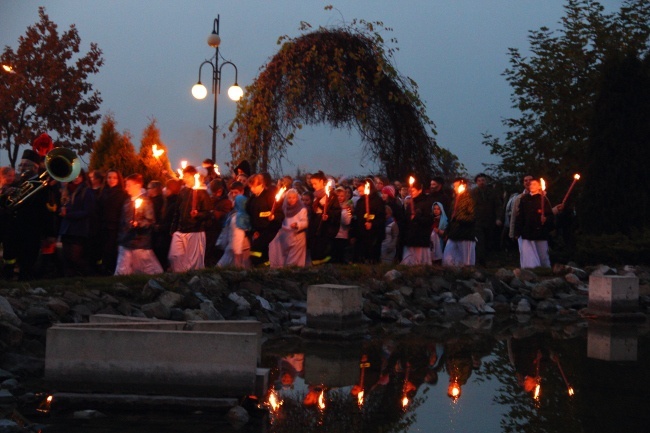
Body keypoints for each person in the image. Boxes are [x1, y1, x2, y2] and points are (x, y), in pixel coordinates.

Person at [114, 173, 163, 275]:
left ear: (137, 185)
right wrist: (120, 239)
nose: (126, 188)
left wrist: (139, 224)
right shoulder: (127, 202)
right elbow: (122, 222)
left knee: (148, 271)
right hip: (126, 242)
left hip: (140, 244)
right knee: (122, 271)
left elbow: (150, 221)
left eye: (129, 185)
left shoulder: (146, 202)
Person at [168, 165, 212, 272]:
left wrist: (197, 214)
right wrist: (173, 229)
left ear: (194, 177)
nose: (184, 178)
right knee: (174, 256)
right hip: (181, 230)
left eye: (187, 176)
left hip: (195, 231)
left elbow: (208, 214)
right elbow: (177, 211)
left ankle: (191, 282)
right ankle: (179, 276)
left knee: (193, 263)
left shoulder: (202, 193)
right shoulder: (183, 192)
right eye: (184, 176)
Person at [59, 169, 96, 276]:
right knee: (66, 257)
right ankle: (70, 279)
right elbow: (63, 205)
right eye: (74, 176)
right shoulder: (66, 190)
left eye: (78, 176)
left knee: (75, 257)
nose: (76, 178)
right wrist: (61, 210)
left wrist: (69, 214)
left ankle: (89, 275)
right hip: (66, 229)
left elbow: (87, 211)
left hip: (78, 229)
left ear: (82, 177)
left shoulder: (87, 191)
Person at [514, 178, 554, 268]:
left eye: (534, 184)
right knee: (529, 252)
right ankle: (531, 268)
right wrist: (517, 230)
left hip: (540, 231)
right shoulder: (524, 199)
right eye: (531, 184)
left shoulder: (543, 199)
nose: (532, 186)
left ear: (539, 186)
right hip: (528, 230)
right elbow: (520, 216)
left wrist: (546, 219)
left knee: (542, 253)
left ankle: (544, 269)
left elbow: (550, 215)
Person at [246, 174, 284, 267]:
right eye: (250, 187)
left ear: (261, 185)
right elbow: (250, 214)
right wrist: (253, 231)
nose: (252, 189)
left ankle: (260, 267)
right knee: (261, 252)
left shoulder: (269, 196)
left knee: (256, 249)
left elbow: (280, 214)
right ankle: (263, 269)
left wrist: (274, 216)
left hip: (269, 229)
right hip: (258, 230)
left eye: (254, 187)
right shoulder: (252, 199)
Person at [307, 171, 341, 265]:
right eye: (312, 184)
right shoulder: (315, 196)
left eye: (315, 183)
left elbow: (337, 212)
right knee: (315, 252)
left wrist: (328, 214)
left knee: (323, 252)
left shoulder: (331, 196)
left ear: (322, 181)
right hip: (315, 227)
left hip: (325, 228)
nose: (313, 186)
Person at [268, 188, 308, 267]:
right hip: (286, 238)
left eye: (294, 197)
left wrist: (297, 225)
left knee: (294, 262)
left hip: (297, 238)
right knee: (284, 260)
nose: (291, 200)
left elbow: (305, 222)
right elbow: (281, 220)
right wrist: (272, 217)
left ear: (297, 198)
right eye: (289, 198)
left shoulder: (302, 209)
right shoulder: (284, 208)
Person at [471, 173, 503, 266]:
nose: (481, 182)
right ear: (476, 182)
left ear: (486, 181)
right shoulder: (473, 193)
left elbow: (498, 206)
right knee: (479, 242)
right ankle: (480, 261)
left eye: (483, 180)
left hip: (490, 221)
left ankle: (488, 260)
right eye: (479, 181)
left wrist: (498, 218)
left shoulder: (492, 192)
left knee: (489, 241)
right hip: (477, 221)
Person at [351, 177, 385, 263]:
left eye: (361, 190)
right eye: (359, 191)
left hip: (374, 235)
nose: (359, 192)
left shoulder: (377, 201)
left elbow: (381, 217)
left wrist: (372, 223)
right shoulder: (360, 202)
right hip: (361, 234)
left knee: (372, 258)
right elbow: (357, 218)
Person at [443, 178, 476, 267]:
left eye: (455, 186)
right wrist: (447, 231)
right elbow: (450, 217)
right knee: (448, 258)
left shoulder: (470, 199)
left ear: (463, 186)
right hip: (454, 233)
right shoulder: (454, 200)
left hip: (465, 233)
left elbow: (472, 217)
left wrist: (459, 218)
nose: (454, 188)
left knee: (465, 261)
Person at [400, 179, 433, 265]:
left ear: (420, 190)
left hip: (420, 238)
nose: (410, 192)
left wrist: (416, 218)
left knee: (420, 263)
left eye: (413, 190)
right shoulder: (410, 203)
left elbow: (429, 220)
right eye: (409, 190)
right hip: (409, 238)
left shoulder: (426, 203)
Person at [331, 186, 352, 264]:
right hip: (333, 234)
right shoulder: (332, 207)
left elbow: (346, 222)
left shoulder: (347, 208)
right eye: (338, 196)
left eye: (342, 196)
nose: (339, 198)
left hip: (342, 235)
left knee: (341, 256)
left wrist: (343, 211)